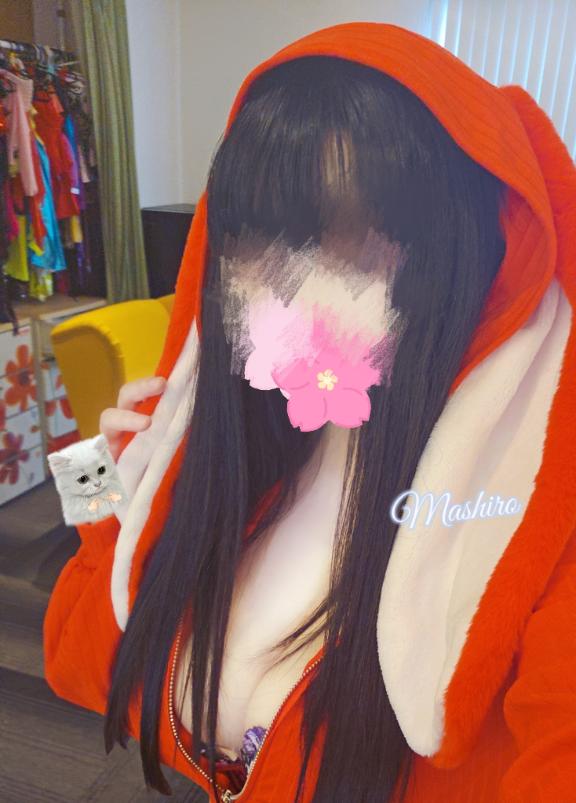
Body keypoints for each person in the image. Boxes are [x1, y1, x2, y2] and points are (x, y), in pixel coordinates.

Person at [43, 21, 576, 803]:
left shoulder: (531, 523)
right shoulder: (227, 445)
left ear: (459, 257)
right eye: (260, 242)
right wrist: (100, 488)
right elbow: (79, 663)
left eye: (356, 245)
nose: (291, 288)